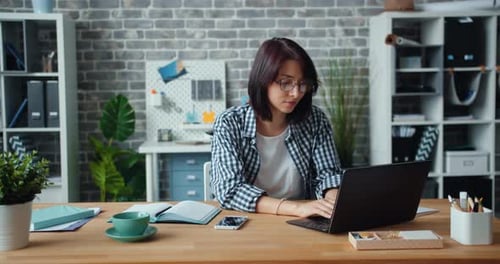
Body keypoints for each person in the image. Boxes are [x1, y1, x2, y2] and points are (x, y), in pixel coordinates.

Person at [210, 37, 342, 218]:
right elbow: (230, 190)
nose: (296, 93)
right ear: (263, 80)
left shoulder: (315, 120)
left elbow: (328, 173)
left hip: (303, 222)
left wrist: (332, 200)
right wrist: (297, 209)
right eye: (285, 82)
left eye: (302, 84)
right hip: (251, 220)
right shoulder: (230, 123)